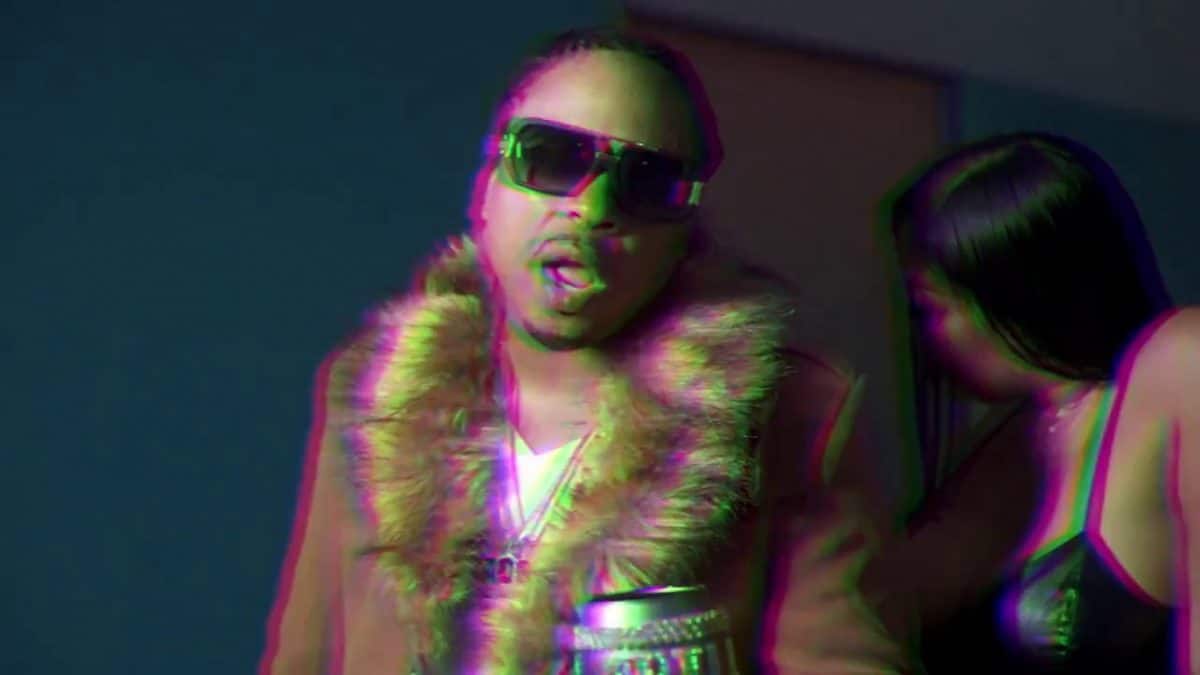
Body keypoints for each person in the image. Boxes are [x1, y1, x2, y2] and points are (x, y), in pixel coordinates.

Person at [259, 26, 913, 674]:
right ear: (487, 186)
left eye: (647, 183)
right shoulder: (370, 388)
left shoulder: (794, 415)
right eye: (552, 158)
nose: (592, 207)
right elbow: (306, 654)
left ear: (684, 232)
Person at [875, 132, 1200, 673]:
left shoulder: (1177, 366)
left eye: (929, 307)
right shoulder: (1024, 434)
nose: (925, 337)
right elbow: (895, 597)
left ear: (1012, 292)